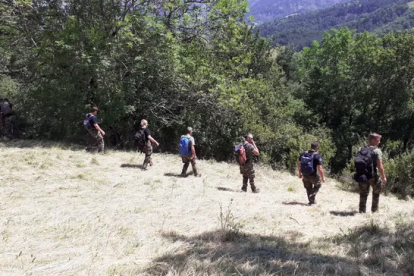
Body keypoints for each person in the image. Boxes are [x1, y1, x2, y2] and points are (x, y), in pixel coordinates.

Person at [354, 133, 387, 213]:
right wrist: (383, 177)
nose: (379, 142)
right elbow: (380, 166)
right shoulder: (377, 151)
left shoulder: (361, 149)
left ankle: (362, 211)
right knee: (376, 193)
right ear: (373, 140)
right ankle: (374, 211)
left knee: (363, 193)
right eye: (378, 140)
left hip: (362, 175)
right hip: (373, 176)